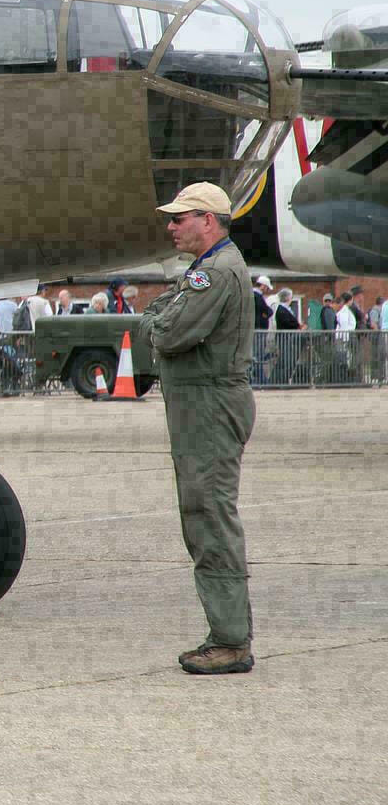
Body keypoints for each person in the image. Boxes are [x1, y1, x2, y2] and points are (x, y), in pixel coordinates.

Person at [141, 182, 256, 675]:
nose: (171, 227)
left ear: (207, 220)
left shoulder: (216, 272)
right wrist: (158, 320)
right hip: (201, 406)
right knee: (203, 513)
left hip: (209, 406)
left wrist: (155, 324)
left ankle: (230, 641)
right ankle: (227, 635)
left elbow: (167, 330)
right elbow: (161, 317)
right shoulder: (205, 270)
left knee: (210, 517)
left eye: (179, 218)